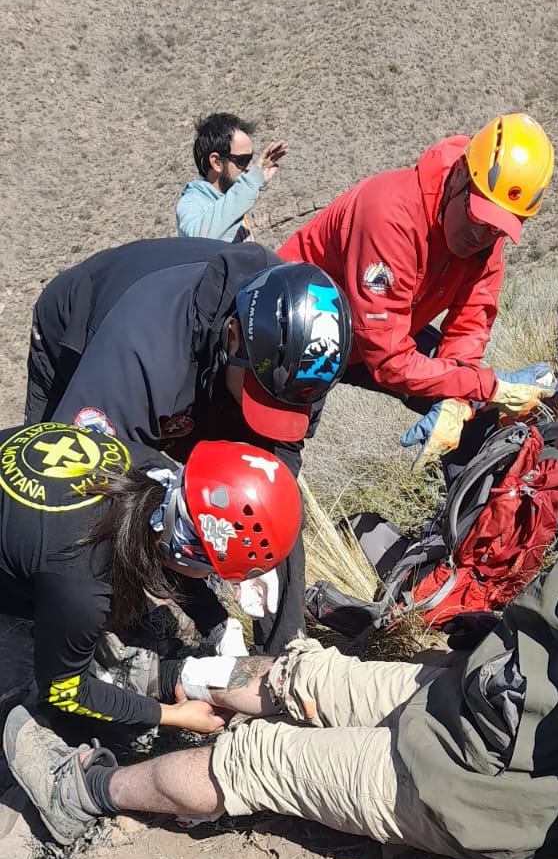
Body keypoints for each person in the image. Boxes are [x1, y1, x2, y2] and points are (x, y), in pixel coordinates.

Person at [10, 308, 558, 859]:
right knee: (301, 674)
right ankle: (167, 675)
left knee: (255, 759)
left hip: (482, 781)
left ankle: (86, 794)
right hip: (486, 711)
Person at [30, 242, 352, 651]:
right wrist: (213, 618)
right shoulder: (143, 352)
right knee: (64, 512)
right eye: (263, 397)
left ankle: (284, 652)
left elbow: (273, 485)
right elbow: (90, 482)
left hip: (215, 372)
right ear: (233, 338)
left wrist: (254, 558)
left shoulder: (305, 356)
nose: (275, 409)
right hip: (76, 332)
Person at [0, 424, 302, 748]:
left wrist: (219, 625)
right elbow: (65, 690)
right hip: (35, 565)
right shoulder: (81, 581)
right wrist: (172, 715)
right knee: (41, 708)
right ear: (191, 555)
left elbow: (167, 545)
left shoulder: (156, 472)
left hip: (26, 519)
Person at [278, 113, 556, 454]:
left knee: (476, 412)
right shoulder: (390, 214)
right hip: (296, 331)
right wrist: (486, 385)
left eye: (498, 228)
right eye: (479, 217)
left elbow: (470, 326)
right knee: (277, 449)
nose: (481, 236)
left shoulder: (487, 238)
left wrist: (459, 402)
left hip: (385, 328)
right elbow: (388, 360)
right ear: (458, 177)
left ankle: (481, 504)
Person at [25, 236, 231, 425]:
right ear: (234, 336)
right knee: (44, 448)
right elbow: (84, 448)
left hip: (142, 296)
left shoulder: (256, 298)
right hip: (72, 320)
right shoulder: (142, 354)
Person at [176, 112, 287, 243]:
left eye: (250, 159)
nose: (249, 167)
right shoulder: (192, 202)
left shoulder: (230, 200)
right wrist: (250, 183)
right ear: (216, 162)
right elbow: (199, 242)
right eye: (242, 160)